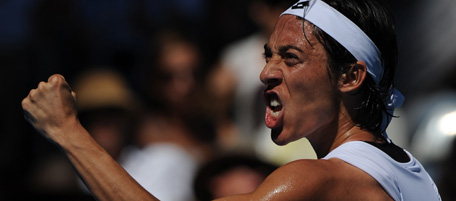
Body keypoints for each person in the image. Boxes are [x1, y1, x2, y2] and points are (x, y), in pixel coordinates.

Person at [21, 0, 441, 200]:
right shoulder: (407, 168)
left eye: (290, 57)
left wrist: (67, 131)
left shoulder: (318, 181)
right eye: (268, 55)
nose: (266, 72)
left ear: (351, 76)